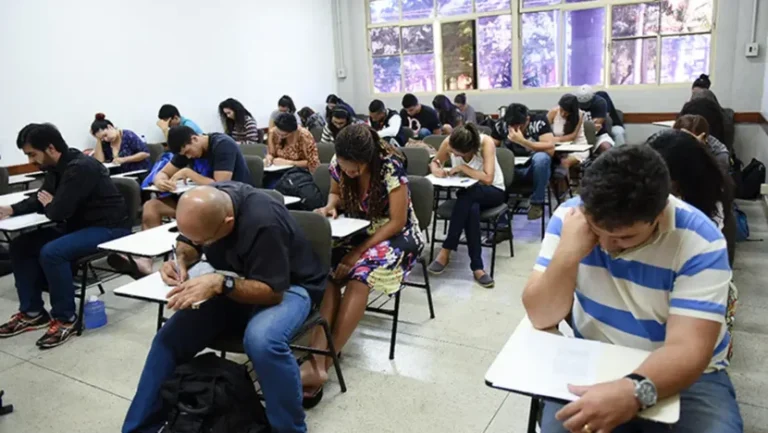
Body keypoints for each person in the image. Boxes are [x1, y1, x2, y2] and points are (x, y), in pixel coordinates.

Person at [523, 145, 742, 433]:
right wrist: (567, 252)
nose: (605, 245)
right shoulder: (570, 218)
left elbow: (688, 349)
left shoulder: (700, 239)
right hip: (595, 354)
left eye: (624, 237)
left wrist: (634, 390)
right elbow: (540, 316)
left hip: (689, 374)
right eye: (596, 230)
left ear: (660, 212)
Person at [122, 183, 327, 433]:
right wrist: (181, 260)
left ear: (228, 222)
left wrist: (221, 283)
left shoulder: (264, 221)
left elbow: (272, 292)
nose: (200, 244)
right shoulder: (204, 203)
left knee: (262, 341)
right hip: (232, 279)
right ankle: (140, 428)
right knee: (170, 338)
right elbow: (187, 242)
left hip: (289, 286)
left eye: (204, 241)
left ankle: (289, 429)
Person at [301, 125, 424, 403]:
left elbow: (398, 221)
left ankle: (324, 364)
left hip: (396, 235)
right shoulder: (338, 162)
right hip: (357, 228)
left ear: (368, 160)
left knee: (360, 275)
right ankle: (316, 361)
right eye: (346, 169)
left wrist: (357, 252)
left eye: (356, 170)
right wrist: (332, 205)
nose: (350, 174)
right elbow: (335, 194)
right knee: (329, 271)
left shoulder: (389, 167)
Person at [0, 123, 130, 348]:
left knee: (52, 252)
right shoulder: (55, 168)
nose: (31, 160)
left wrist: (51, 204)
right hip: (80, 226)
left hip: (109, 227)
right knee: (21, 245)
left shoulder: (80, 167)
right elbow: (44, 198)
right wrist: (12, 209)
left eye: (32, 154)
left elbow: (58, 211)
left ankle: (65, 318)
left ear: (50, 148)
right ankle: (32, 312)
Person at [112, 126, 253, 277]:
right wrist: (160, 181)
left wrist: (188, 172)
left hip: (228, 201)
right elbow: (163, 172)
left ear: (194, 139)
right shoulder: (184, 149)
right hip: (198, 199)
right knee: (152, 206)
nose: (189, 157)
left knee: (195, 215)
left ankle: (181, 261)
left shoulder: (223, 145)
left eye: (188, 152)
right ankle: (147, 260)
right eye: (184, 155)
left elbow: (221, 183)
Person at [426, 124, 505, 288]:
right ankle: (477, 267)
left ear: (470, 150)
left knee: (468, 195)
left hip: (493, 191)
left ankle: (446, 249)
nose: (453, 154)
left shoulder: (486, 143)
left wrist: (463, 167)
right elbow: (435, 162)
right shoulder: (450, 142)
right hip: (469, 196)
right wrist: (436, 170)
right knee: (471, 207)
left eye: (457, 154)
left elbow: (488, 178)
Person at [491, 103, 554, 220]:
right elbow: (491, 145)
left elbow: (550, 149)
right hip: (511, 170)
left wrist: (523, 141)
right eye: (512, 127)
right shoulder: (501, 124)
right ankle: (501, 221)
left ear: (527, 119)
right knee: (495, 160)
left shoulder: (539, 121)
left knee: (542, 158)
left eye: (519, 127)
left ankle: (536, 204)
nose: (515, 130)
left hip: (533, 169)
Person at [265, 113, 320, 188]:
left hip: (300, 173)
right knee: (268, 185)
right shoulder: (273, 132)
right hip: (277, 172)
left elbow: (313, 163)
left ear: (293, 131)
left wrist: (290, 163)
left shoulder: (304, 136)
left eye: (284, 135)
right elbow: (271, 153)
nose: (280, 137)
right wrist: (269, 158)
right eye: (278, 133)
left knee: (283, 186)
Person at [547, 94, 588, 170]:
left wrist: (553, 139)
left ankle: (564, 182)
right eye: (561, 110)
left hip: (577, 147)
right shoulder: (553, 112)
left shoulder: (579, 114)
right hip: (557, 148)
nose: (563, 114)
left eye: (566, 112)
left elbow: (572, 137)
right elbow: (544, 131)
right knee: (546, 159)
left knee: (564, 162)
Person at [575, 85, 615, 151]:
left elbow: (595, 128)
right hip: (578, 135)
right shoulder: (573, 102)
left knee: (606, 148)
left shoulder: (600, 102)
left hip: (598, 135)